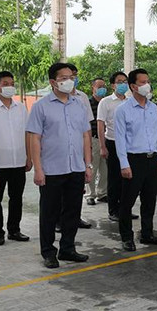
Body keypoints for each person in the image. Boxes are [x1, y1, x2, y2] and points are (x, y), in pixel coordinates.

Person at [27, 62, 93, 269]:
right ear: (52, 82)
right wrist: (38, 169)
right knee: (49, 213)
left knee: (72, 211)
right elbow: (34, 139)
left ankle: (68, 248)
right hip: (52, 169)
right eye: (63, 78)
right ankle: (48, 252)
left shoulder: (78, 105)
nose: (68, 81)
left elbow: (85, 136)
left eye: (70, 77)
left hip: (75, 167)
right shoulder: (41, 106)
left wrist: (88, 164)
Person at [114, 68, 157, 251]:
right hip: (133, 160)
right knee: (127, 201)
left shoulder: (153, 108)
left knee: (149, 199)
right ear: (133, 86)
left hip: (152, 159)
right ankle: (127, 237)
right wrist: (124, 164)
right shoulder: (123, 110)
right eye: (142, 82)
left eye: (148, 81)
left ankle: (147, 233)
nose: (147, 85)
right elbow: (120, 139)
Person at [0, 71, 31, 246]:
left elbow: (28, 133)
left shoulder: (21, 107)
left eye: (12, 83)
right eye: (5, 83)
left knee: (16, 197)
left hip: (18, 161)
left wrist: (29, 157)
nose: (9, 86)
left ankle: (14, 229)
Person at [98, 72, 130, 221]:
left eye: (125, 81)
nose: (122, 84)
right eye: (119, 81)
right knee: (114, 178)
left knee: (127, 179)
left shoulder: (130, 101)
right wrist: (103, 146)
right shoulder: (105, 102)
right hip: (112, 141)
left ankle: (125, 208)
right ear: (112, 85)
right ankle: (113, 210)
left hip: (128, 144)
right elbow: (100, 123)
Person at [65, 63, 93, 230]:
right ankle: (60, 220)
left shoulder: (82, 97)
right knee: (62, 189)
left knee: (78, 187)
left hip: (79, 147)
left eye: (74, 76)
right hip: (61, 151)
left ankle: (76, 217)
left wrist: (87, 149)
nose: (72, 79)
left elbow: (87, 126)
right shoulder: (47, 102)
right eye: (68, 76)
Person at [86, 77, 109, 206]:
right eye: (99, 86)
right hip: (93, 138)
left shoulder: (106, 102)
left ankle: (102, 193)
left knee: (104, 168)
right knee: (92, 167)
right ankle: (90, 194)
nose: (102, 89)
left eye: (103, 86)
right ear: (93, 88)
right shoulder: (88, 103)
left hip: (106, 138)